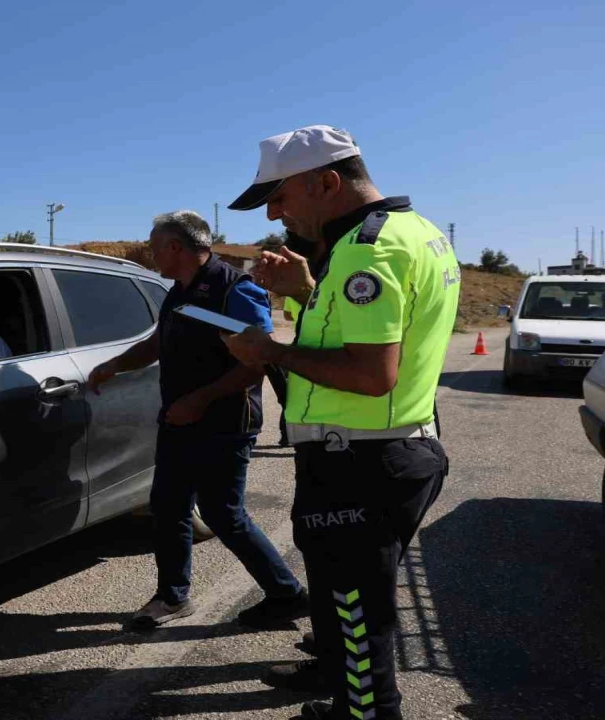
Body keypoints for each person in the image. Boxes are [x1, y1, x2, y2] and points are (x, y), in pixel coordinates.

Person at [222, 125, 459, 720]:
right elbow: (354, 332)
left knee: (358, 613)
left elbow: (371, 374)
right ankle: (343, 692)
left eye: (279, 197)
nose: (274, 214)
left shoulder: (366, 250)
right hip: (384, 452)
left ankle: (367, 713)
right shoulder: (413, 232)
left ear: (326, 182)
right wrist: (304, 291)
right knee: (348, 602)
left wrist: (268, 351)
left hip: (360, 464)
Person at [87, 210, 308, 630]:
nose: (150, 254)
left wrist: (200, 400)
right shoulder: (178, 291)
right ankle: (173, 596)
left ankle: (286, 593)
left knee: (223, 514)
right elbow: (157, 343)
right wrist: (114, 365)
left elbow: (258, 361)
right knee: (168, 506)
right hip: (179, 418)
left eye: (154, 247)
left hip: (225, 422)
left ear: (175, 247)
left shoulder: (234, 290)